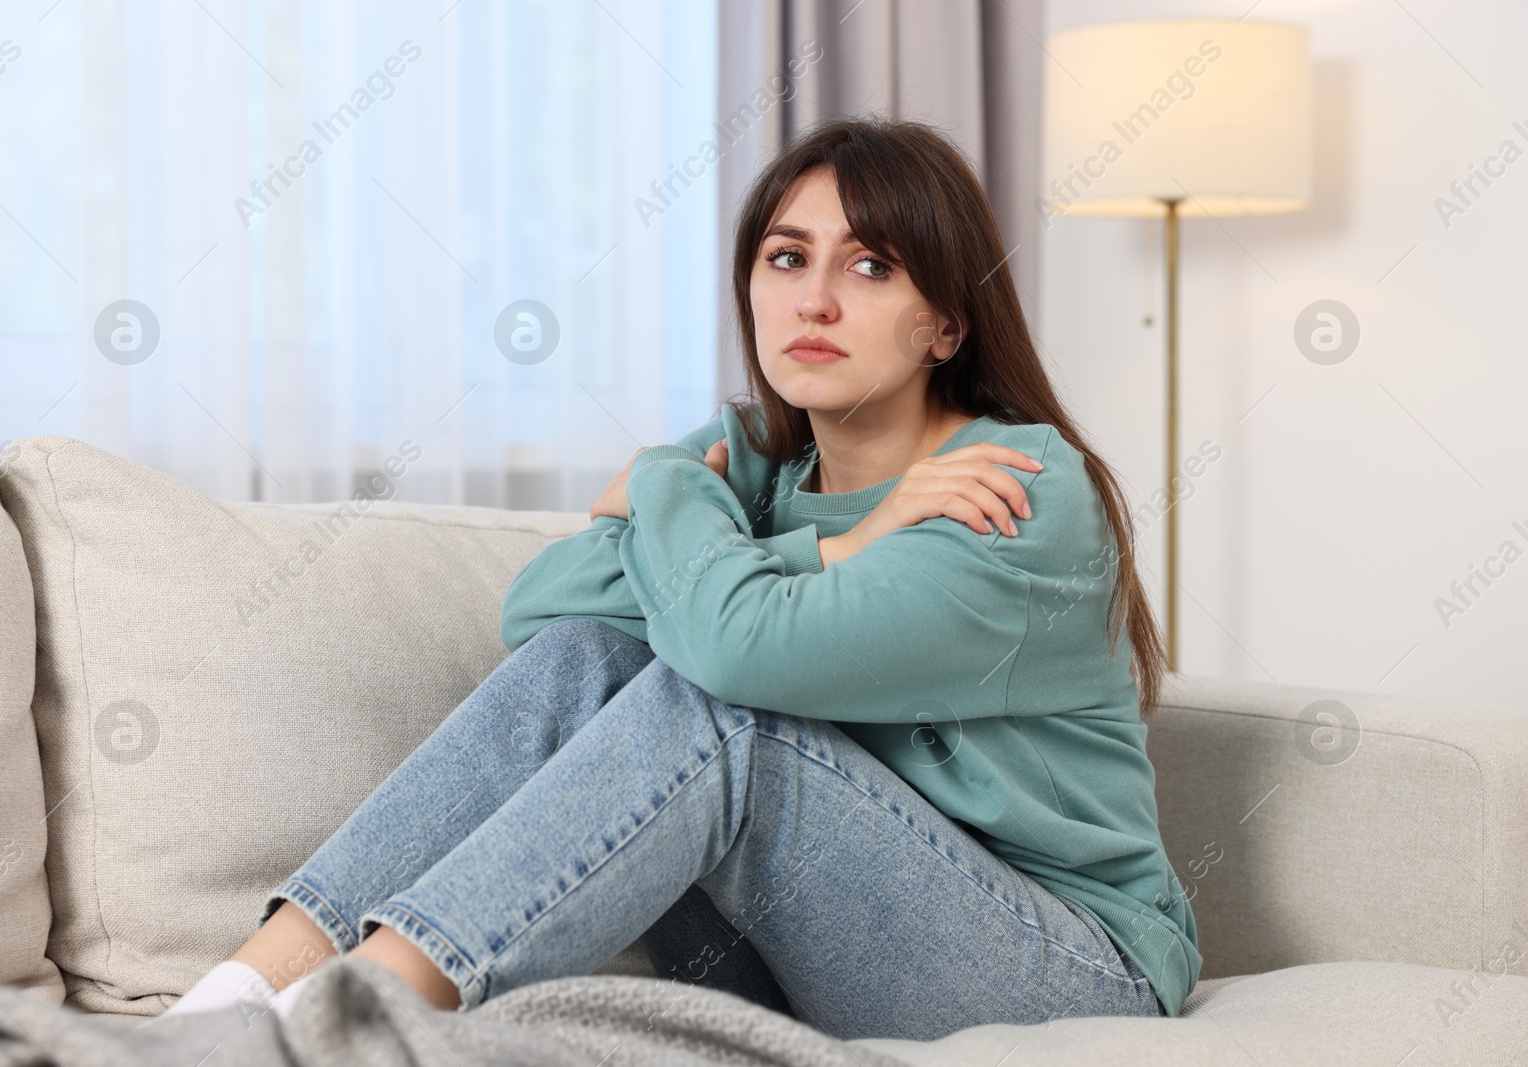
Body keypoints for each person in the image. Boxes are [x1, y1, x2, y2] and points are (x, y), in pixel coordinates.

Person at [155, 116, 1199, 1043]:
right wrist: (827, 546)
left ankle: (348, 1025)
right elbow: (546, 613)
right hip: (799, 952)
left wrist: (666, 491)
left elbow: (737, 652)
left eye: (871, 267)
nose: (816, 300)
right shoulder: (754, 457)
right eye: (786, 258)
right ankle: (229, 999)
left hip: (1062, 964)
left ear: (946, 324)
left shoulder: (1010, 484)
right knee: (593, 657)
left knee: (728, 713)